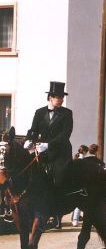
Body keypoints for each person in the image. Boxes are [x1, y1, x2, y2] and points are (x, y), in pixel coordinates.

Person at [24, 81, 73, 229]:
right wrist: (28, 140)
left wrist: (49, 145)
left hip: (60, 153)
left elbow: (65, 135)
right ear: (50, 98)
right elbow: (33, 130)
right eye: (59, 97)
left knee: (58, 178)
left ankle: (57, 213)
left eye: (62, 97)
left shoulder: (67, 113)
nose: (62, 99)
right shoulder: (39, 112)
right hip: (42, 153)